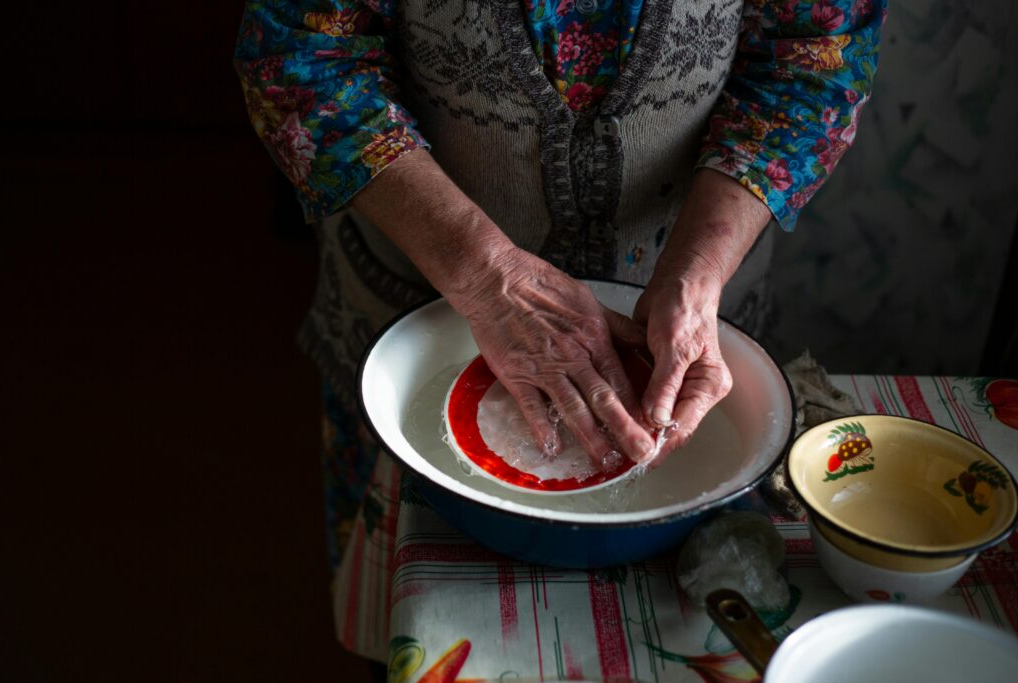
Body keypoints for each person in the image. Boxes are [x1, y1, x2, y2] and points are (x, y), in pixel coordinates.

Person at [234, 0, 883, 611]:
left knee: (681, 614)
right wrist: (483, 273)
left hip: (701, 314)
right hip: (417, 306)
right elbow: (301, 57)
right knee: (426, 614)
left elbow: (814, 58)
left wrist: (698, 271)